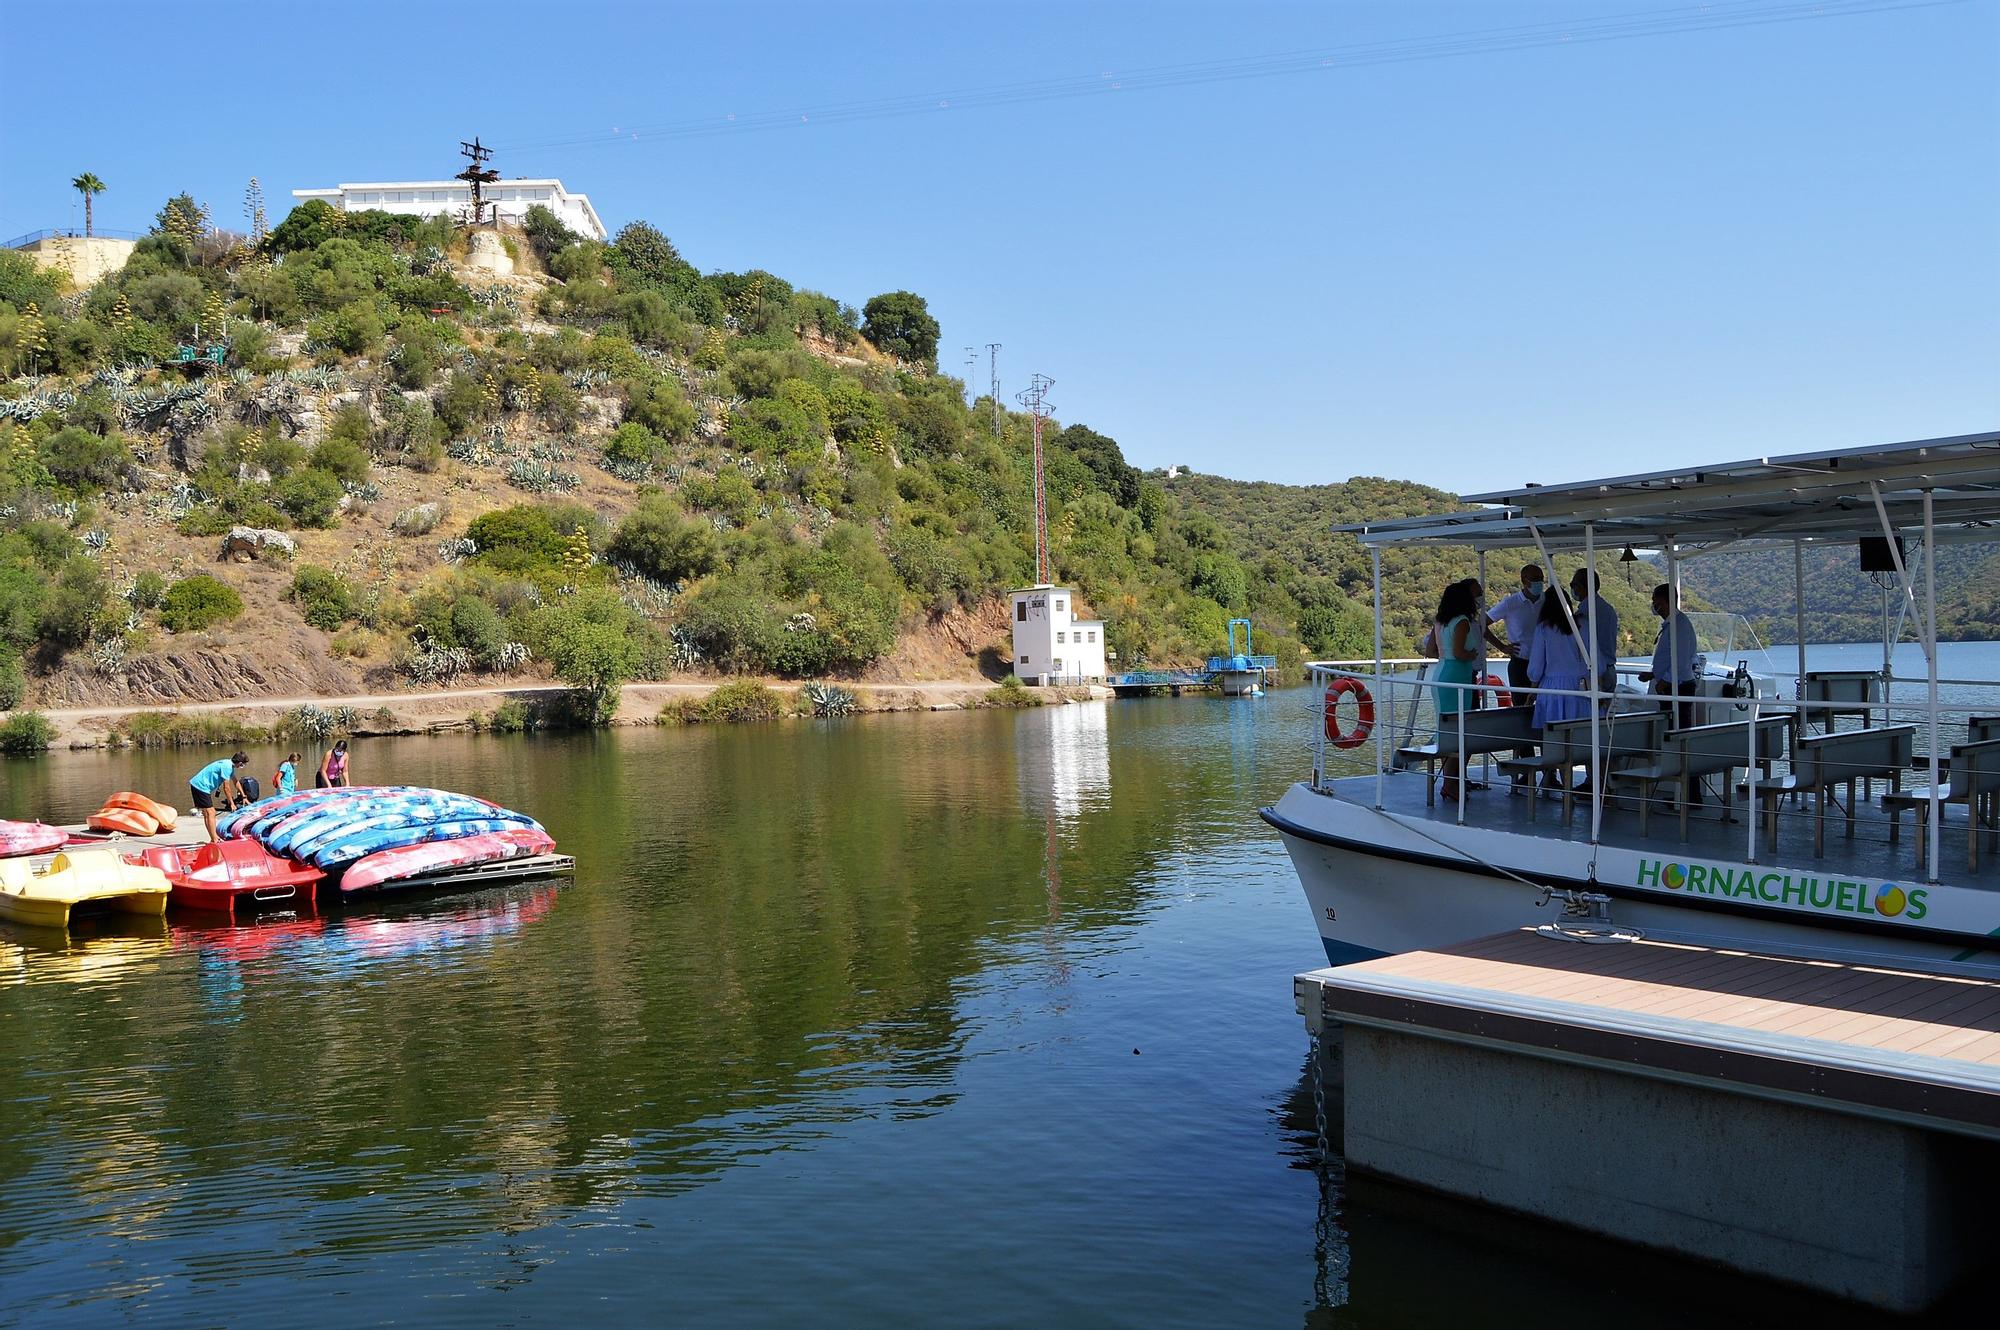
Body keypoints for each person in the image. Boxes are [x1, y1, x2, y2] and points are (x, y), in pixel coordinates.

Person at [1528, 590, 1591, 795]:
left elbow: (1536, 667)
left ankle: (1552, 779)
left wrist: (1533, 683)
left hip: (1552, 689)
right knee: (1575, 738)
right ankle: (1570, 786)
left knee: (1552, 738)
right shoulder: (1580, 627)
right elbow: (1591, 661)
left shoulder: (1544, 629)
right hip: (1577, 688)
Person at [1431, 579, 1483, 801]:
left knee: (1448, 729)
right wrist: (1472, 655)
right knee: (1460, 731)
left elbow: (1430, 650)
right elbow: (1461, 652)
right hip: (1457, 676)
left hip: (1442, 672)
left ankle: (1449, 782)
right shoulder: (1462, 621)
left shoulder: (1440, 622)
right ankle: (1450, 783)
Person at [1642, 583, 1701, 727]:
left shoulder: (1679, 625)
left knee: (1678, 726)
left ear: (1666, 602)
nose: (1654, 605)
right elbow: (1670, 658)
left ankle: (1679, 750)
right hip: (1673, 685)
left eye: (1656, 601)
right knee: (1671, 724)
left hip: (1679, 687)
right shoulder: (1672, 624)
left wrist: (1665, 681)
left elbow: (1680, 662)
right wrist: (1654, 674)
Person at [1485, 564, 1546, 696]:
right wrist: (1502, 647)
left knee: (1546, 706)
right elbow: (1481, 624)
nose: (1539, 582)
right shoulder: (1510, 603)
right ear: (1524, 581)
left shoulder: (1547, 601)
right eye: (1535, 578)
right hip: (1520, 663)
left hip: (1545, 663)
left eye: (1541, 578)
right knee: (1520, 707)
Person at [1569, 568, 1620, 696]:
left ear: (1580, 587)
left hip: (1593, 673)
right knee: (1605, 714)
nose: (1572, 589)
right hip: (1609, 670)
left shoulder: (1584, 614)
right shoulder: (1608, 610)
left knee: (1590, 713)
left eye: (1572, 585)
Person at [190, 752, 249, 842]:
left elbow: (236, 782)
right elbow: (226, 788)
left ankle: (213, 838)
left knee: (208, 813)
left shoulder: (229, 765)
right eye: (243, 765)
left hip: (201, 786)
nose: (242, 767)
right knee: (211, 813)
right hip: (200, 786)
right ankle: (214, 839)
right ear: (240, 763)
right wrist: (231, 803)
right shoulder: (227, 767)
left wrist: (244, 797)